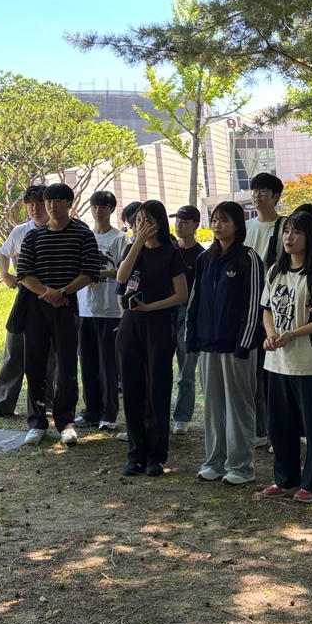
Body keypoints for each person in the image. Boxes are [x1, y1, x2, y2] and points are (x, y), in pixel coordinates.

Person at [260, 211, 312, 502]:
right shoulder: (275, 271)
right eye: (286, 232)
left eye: (296, 232)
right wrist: (271, 334)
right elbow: (267, 310)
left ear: (309, 237)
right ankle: (286, 479)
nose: (289, 238)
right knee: (280, 424)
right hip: (277, 361)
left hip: (306, 362)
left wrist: (293, 334)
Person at [186, 202, 265, 485]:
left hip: (237, 347)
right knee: (213, 407)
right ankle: (214, 462)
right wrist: (192, 337)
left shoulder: (248, 258)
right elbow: (194, 300)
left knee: (239, 407)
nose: (218, 226)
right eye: (215, 220)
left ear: (237, 225)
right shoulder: (204, 259)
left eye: (224, 220)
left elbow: (254, 304)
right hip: (207, 345)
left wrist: (244, 343)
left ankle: (241, 467)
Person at [16, 182, 100, 446]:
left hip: (66, 305)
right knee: (34, 363)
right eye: (48, 201)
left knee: (66, 364)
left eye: (58, 201)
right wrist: (48, 293)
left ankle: (66, 421)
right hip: (36, 305)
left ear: (69, 204)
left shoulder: (82, 234)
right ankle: (37, 421)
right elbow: (23, 273)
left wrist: (62, 292)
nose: (51, 206)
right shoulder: (34, 236)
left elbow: (90, 272)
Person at [115, 200, 190, 476]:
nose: (140, 225)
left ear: (158, 223)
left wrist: (150, 307)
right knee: (132, 389)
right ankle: (135, 453)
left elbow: (181, 295)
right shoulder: (132, 250)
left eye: (146, 221)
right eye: (137, 221)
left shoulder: (171, 254)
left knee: (156, 389)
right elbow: (121, 278)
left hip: (158, 325)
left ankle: (156, 455)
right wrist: (137, 243)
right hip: (130, 325)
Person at [0, 186, 47, 418]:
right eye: (30, 204)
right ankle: (2, 401)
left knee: (51, 354)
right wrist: (5, 274)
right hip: (25, 298)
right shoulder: (20, 231)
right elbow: (4, 252)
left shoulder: (60, 229)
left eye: (39, 203)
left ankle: (48, 401)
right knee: (14, 348)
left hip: (54, 298)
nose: (35, 208)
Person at [77, 190, 127, 432]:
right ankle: (91, 410)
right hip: (85, 308)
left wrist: (97, 273)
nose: (98, 211)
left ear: (111, 209)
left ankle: (109, 412)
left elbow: (123, 271)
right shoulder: (83, 237)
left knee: (108, 364)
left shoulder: (120, 239)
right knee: (87, 362)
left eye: (103, 207)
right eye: (95, 206)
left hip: (110, 310)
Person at [245, 173, 285, 446]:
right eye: (254, 190)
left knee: (274, 374)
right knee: (252, 373)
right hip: (248, 307)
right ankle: (259, 429)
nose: (257, 195)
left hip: (273, 308)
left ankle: (276, 431)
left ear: (276, 196)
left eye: (263, 191)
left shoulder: (284, 227)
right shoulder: (245, 226)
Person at [171, 205, 205, 435]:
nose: (179, 225)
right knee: (158, 368)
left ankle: (182, 417)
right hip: (164, 312)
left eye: (184, 221)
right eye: (177, 220)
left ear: (195, 225)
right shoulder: (168, 249)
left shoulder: (202, 256)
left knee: (186, 370)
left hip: (189, 314)